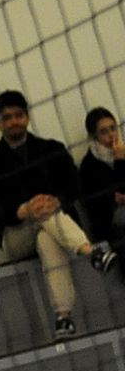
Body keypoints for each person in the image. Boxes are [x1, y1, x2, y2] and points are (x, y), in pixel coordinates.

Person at [0, 90, 115, 337]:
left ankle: (63, 317)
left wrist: (56, 201)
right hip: (17, 235)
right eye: (7, 117)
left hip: (54, 229)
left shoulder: (52, 149)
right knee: (42, 216)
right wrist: (23, 210)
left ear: (27, 117)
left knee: (46, 238)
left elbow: (74, 185)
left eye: (18, 115)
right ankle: (91, 252)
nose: (14, 121)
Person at [77, 107, 125, 260]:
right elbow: (105, 204)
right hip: (110, 224)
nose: (111, 135)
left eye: (113, 128)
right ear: (94, 136)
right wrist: (119, 162)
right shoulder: (89, 166)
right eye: (104, 132)